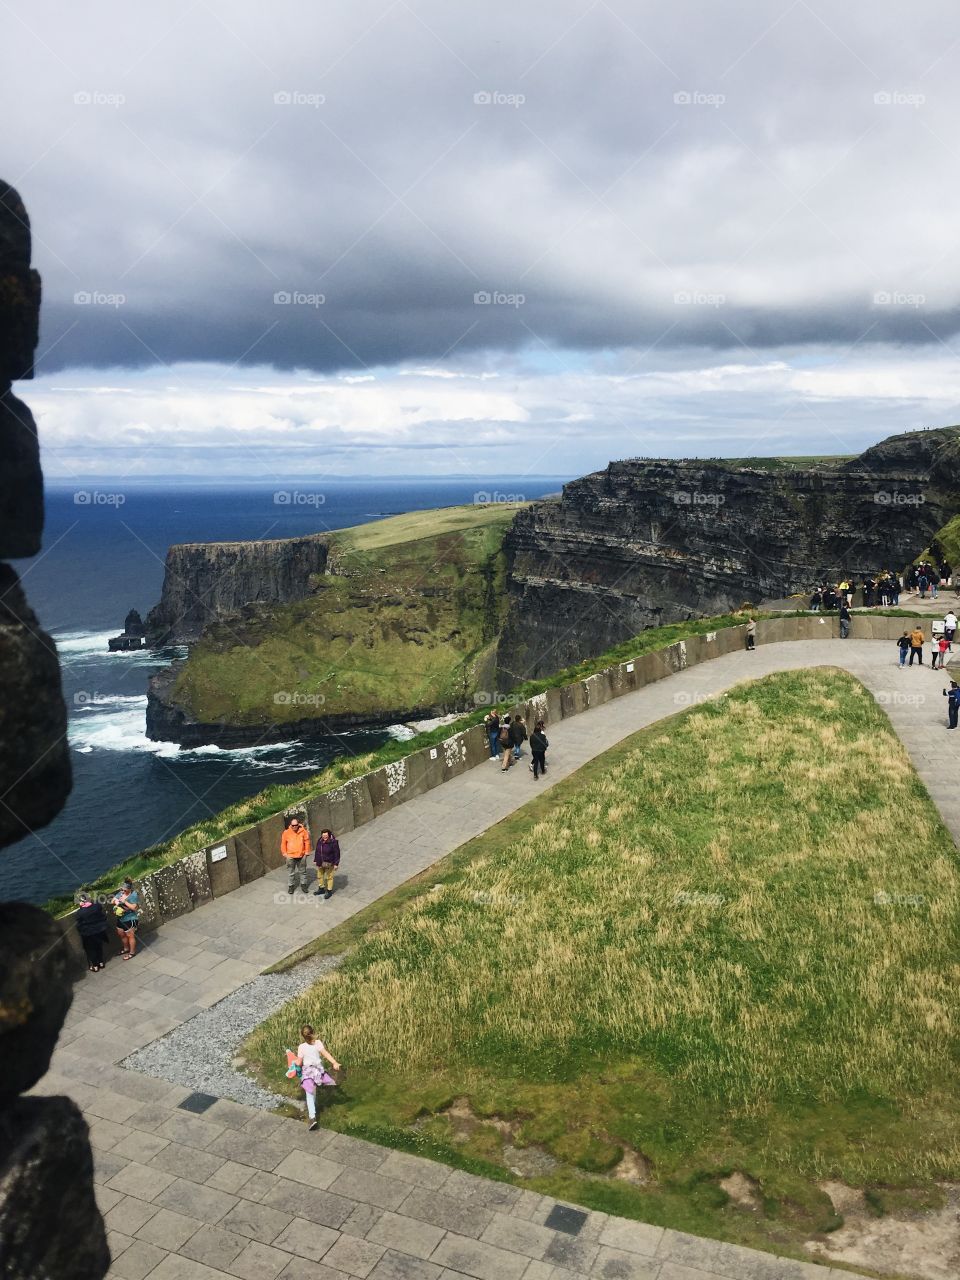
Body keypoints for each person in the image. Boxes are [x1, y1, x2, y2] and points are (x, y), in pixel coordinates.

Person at [294, 1024, 341, 1131]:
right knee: (313, 1089)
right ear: (313, 1032)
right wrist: (334, 1062)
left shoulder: (301, 1047)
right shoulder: (318, 1043)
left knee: (309, 1093)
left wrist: (295, 1065)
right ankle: (314, 1108)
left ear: (302, 1036)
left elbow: (299, 1062)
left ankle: (312, 1118)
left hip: (308, 1072)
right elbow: (325, 1054)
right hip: (318, 1072)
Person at [76, 892, 109, 972]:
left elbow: (79, 922)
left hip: (88, 934)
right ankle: (101, 962)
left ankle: (95, 966)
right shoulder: (97, 906)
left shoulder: (80, 912)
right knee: (99, 946)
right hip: (99, 931)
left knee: (91, 949)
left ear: (82, 902)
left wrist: (81, 908)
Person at [111, 878, 141, 960]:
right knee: (122, 934)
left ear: (129, 889)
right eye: (122, 889)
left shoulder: (134, 895)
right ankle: (126, 949)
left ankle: (132, 953)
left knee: (130, 936)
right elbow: (112, 901)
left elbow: (134, 908)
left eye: (124, 890)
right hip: (121, 919)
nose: (122, 891)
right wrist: (117, 902)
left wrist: (124, 902)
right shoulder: (121, 893)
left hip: (130, 919)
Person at [281, 815, 312, 894]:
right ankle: (291, 886)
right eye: (292, 825)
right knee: (291, 872)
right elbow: (283, 843)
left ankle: (303, 885)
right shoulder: (286, 832)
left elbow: (307, 841)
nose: (294, 826)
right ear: (291, 825)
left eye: (295, 825)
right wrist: (284, 853)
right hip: (290, 856)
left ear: (298, 824)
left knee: (303, 871)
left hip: (301, 856)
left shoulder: (303, 831)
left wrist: (306, 852)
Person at [313, 828, 341, 899]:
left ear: (329, 835)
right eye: (323, 835)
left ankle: (329, 891)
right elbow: (317, 851)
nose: (324, 837)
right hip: (320, 862)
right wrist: (316, 859)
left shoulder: (333, 842)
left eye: (326, 835)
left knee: (329, 877)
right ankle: (321, 888)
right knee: (319, 875)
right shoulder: (319, 841)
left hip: (329, 862)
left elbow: (337, 854)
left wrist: (336, 864)